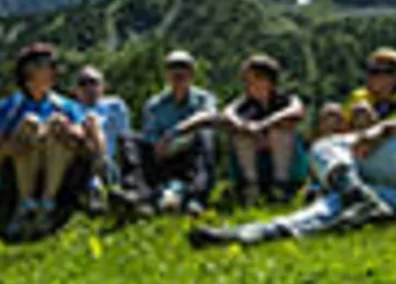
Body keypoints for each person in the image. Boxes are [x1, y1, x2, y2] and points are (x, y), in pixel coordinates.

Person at [189, 61, 396, 247]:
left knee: (329, 147)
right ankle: (256, 233)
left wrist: (383, 130)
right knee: (340, 203)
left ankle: (356, 196)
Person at [0, 44, 93, 238]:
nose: (54, 70)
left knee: (55, 123)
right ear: (29, 70)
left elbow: (85, 144)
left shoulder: (66, 105)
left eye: (53, 65)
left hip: (60, 172)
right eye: (47, 65)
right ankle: (26, 205)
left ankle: (45, 206)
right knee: (29, 123)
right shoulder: (8, 108)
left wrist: (69, 131)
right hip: (18, 173)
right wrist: (7, 149)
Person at [118, 50, 217, 215]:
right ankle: (137, 194)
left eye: (183, 69)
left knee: (204, 135)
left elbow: (207, 117)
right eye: (173, 69)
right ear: (166, 75)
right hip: (162, 155)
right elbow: (150, 134)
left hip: (190, 155)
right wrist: (158, 145)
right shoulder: (154, 104)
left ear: (192, 74)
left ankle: (197, 198)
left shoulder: (203, 98)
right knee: (127, 138)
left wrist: (175, 132)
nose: (178, 75)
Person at [223, 54, 307, 204]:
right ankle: (251, 187)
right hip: (257, 160)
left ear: (265, 80)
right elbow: (228, 114)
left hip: (286, 164)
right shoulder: (245, 104)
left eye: (250, 79)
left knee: (280, 132)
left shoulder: (285, 100)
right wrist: (248, 128)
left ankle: (281, 186)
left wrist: (266, 124)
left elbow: (297, 110)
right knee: (241, 135)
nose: (246, 84)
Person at [73, 66, 132, 211]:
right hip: (81, 160)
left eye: (93, 82)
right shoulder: (70, 109)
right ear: (76, 90)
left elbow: (124, 137)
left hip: (110, 161)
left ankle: (97, 188)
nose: (88, 87)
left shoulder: (115, 106)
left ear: (102, 86)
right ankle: (100, 187)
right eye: (83, 83)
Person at [344, 48, 396, 124]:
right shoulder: (358, 96)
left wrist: (373, 120)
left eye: (377, 71)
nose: (372, 77)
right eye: (371, 70)